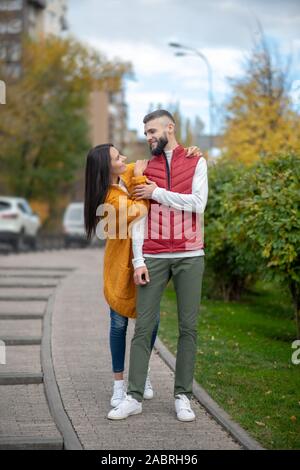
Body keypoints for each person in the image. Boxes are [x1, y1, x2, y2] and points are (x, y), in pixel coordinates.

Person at [107, 110, 208, 422]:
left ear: (170, 128)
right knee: (144, 327)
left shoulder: (196, 161)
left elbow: (198, 203)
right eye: (146, 133)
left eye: (153, 131)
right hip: (153, 254)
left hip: (191, 254)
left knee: (188, 328)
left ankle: (182, 396)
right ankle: (134, 396)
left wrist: (157, 193)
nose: (149, 137)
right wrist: (138, 260)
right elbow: (139, 217)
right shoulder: (143, 167)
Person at [84, 144, 159, 407]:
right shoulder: (109, 198)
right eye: (118, 157)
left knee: (150, 321)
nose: (124, 159)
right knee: (119, 324)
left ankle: (142, 374)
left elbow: (153, 163)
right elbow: (140, 210)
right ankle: (118, 385)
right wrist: (139, 178)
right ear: (107, 167)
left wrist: (190, 152)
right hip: (119, 267)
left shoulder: (124, 175)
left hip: (147, 261)